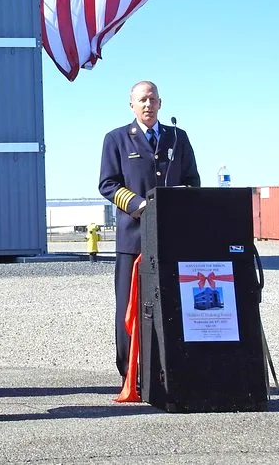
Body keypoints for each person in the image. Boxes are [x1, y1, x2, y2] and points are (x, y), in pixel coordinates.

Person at [98, 80, 200, 381]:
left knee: (170, 303)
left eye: (152, 99)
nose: (147, 104)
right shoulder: (116, 139)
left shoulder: (178, 138)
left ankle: (169, 369)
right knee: (129, 308)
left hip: (171, 239)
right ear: (131, 104)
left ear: (160, 103)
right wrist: (140, 206)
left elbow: (192, 181)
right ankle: (130, 371)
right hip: (133, 238)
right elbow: (107, 184)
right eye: (142, 100)